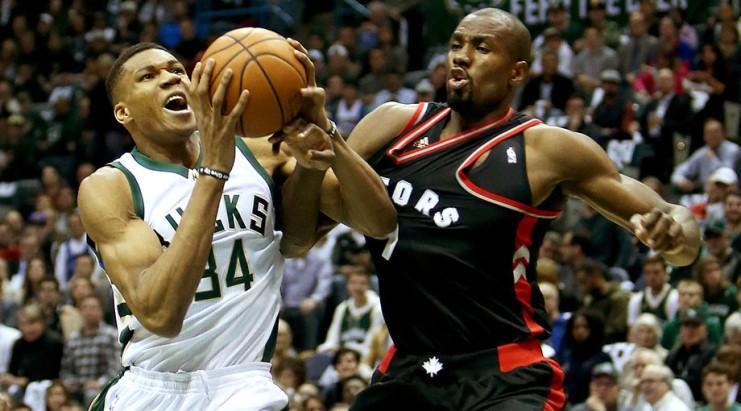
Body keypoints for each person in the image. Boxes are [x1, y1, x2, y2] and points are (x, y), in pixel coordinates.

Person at [333, 9, 700, 410]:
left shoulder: (545, 149)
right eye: (456, 44)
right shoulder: (394, 125)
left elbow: (680, 224)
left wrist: (674, 237)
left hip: (504, 375)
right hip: (411, 368)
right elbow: (303, 229)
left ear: (517, 72)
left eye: (481, 47)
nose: (461, 56)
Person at [78, 41, 395, 411]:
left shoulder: (259, 151)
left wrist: (325, 131)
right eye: (148, 76)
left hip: (244, 386)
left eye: (177, 71)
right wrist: (213, 171)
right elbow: (161, 314)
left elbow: (377, 222)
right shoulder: (111, 187)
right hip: (153, 387)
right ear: (123, 112)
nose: (170, 78)